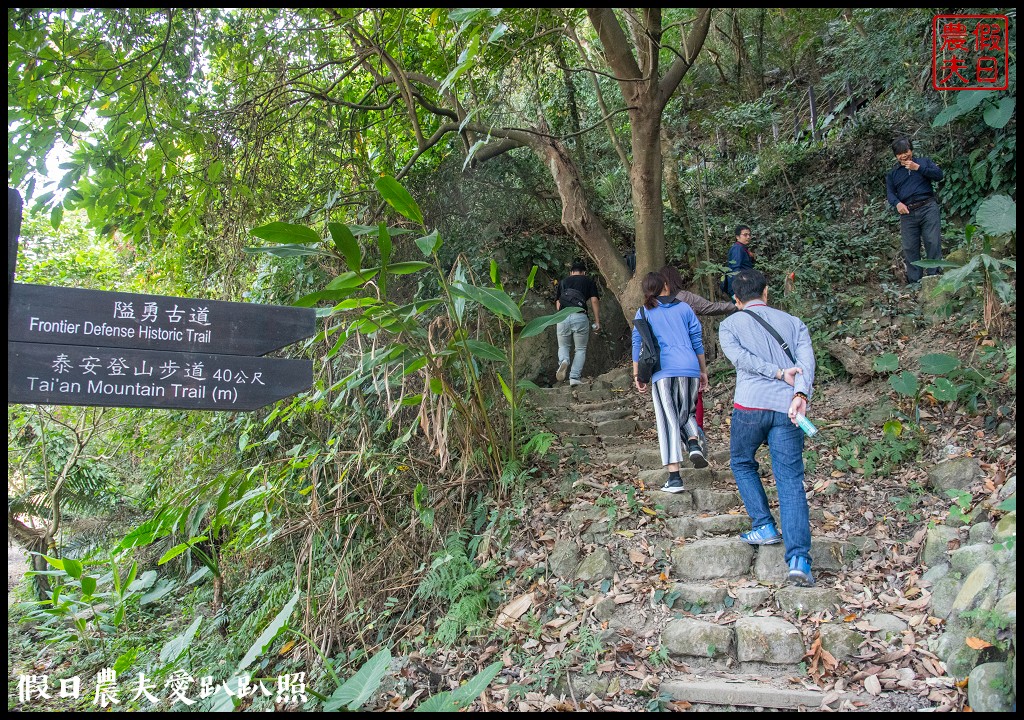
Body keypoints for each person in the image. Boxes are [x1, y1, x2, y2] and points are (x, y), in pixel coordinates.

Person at [719, 268, 816, 586]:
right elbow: (806, 363)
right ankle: (799, 560)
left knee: (741, 461)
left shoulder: (730, 324)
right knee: (790, 481)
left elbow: (742, 360)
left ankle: (763, 524)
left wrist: (774, 372)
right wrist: (800, 392)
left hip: (749, 406)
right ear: (766, 292)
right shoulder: (793, 323)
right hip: (787, 409)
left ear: (736, 299)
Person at [632, 271, 709, 493]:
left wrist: (638, 374)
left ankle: (674, 478)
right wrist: (702, 371)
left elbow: (637, 344)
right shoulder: (684, 308)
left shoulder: (643, 312)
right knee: (687, 412)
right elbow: (697, 340)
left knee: (668, 420)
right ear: (666, 285)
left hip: (663, 370)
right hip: (690, 367)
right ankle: (693, 443)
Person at [659, 264, 737, 432]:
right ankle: (697, 432)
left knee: (670, 395)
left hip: (665, 357)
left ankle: (676, 433)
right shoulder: (687, 298)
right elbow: (712, 307)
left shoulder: (654, 304)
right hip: (689, 354)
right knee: (695, 395)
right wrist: (736, 305)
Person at [885, 137, 944, 284]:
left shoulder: (924, 162)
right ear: (896, 156)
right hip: (907, 213)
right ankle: (914, 281)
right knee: (910, 246)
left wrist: (917, 168)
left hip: (928, 206)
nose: (904, 156)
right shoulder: (893, 174)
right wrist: (897, 203)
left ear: (911, 150)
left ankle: (934, 277)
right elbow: (890, 193)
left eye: (906, 151)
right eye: (900, 154)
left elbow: (939, 175)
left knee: (932, 240)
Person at [554, 260, 601, 386]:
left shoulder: (563, 282)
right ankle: (574, 377)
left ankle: (564, 360)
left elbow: (558, 302)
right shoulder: (588, 281)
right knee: (580, 349)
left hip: (562, 317)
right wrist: (597, 320)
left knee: (563, 346)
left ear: (571, 272)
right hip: (579, 316)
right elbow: (594, 300)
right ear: (584, 272)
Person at [723, 225, 755, 297]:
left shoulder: (742, 248)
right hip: (739, 287)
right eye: (745, 235)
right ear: (737, 237)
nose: (748, 237)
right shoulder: (737, 248)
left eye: (749, 235)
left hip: (744, 284)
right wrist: (736, 290)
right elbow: (735, 269)